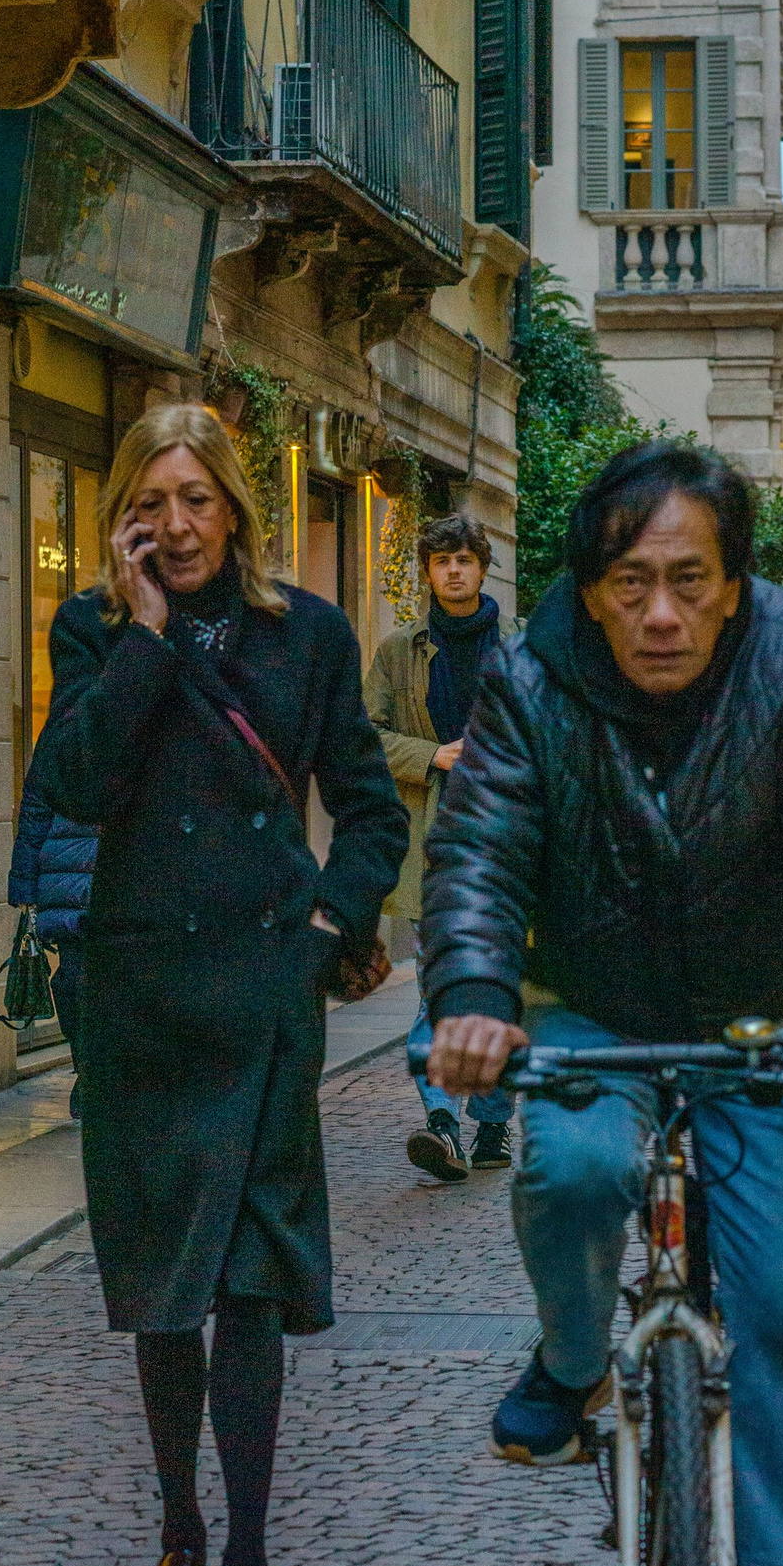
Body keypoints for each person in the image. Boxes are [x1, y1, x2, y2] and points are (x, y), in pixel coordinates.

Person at [422, 439, 783, 1566]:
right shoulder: (530, 681)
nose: (661, 612)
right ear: (591, 590)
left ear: (738, 586)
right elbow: (480, 848)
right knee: (577, 1168)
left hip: (768, 1011)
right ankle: (577, 1355)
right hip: (589, 1003)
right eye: (633, 582)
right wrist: (474, 999)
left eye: (691, 581)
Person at [29, 402, 408, 1566]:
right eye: (156, 499)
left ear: (235, 508)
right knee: (162, 1290)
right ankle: (177, 1530)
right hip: (138, 1000)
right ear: (125, 512)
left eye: (200, 499)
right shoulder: (90, 629)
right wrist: (139, 636)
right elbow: (72, 783)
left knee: (246, 1282)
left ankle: (245, 1565)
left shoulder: (304, 636)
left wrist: (325, 924)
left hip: (260, 996)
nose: (179, 523)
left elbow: (366, 807)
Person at [364, 508, 516, 1185]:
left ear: (483, 566)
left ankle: (491, 1125)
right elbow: (361, 734)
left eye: (464, 559)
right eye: (441, 561)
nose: (453, 570)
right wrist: (435, 756)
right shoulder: (400, 650)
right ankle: (442, 1122)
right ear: (428, 570)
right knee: (438, 991)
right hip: (434, 848)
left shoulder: (520, 647)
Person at [4, 769, 97, 1107]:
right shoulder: (69, 724)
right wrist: (24, 886)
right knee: (74, 983)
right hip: (69, 877)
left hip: (125, 880)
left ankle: (107, 1076)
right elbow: (36, 808)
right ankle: (88, 1073)